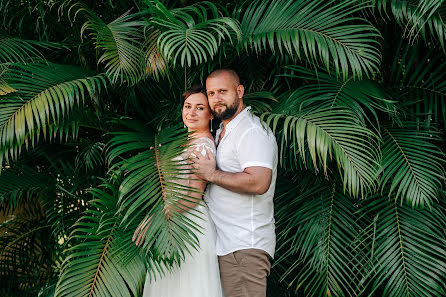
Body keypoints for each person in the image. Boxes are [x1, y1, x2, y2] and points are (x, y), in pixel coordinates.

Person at [192, 69, 278, 297]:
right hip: (226, 244)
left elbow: (259, 182)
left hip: (244, 245)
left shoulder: (251, 131)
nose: (216, 99)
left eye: (223, 91)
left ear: (239, 91)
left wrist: (212, 174)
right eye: (211, 93)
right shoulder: (223, 131)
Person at [137, 86, 224, 297]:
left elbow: (193, 196)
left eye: (200, 108)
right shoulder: (186, 142)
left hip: (187, 225)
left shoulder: (202, 146)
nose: (191, 113)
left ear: (210, 114)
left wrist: (156, 218)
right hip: (173, 221)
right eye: (187, 106)